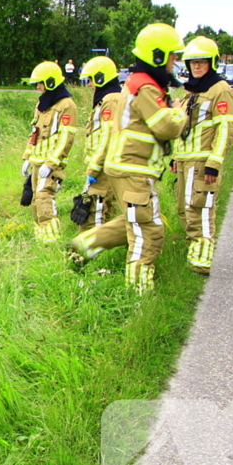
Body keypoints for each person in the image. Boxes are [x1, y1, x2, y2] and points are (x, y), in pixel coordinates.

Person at [70, 23, 186, 292]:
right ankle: (137, 293)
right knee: (149, 232)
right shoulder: (146, 88)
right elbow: (166, 127)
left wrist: (97, 166)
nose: (175, 62)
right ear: (157, 55)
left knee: (133, 222)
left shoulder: (132, 85)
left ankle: (82, 247)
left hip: (124, 168)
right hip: (135, 169)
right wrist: (179, 112)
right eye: (172, 55)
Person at [171, 36, 233, 275]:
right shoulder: (192, 91)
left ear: (212, 63)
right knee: (184, 210)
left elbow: (226, 129)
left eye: (202, 62)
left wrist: (214, 163)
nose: (197, 66)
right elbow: (187, 128)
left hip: (203, 163)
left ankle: (203, 261)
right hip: (185, 162)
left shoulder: (220, 89)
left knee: (201, 209)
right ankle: (194, 253)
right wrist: (176, 157)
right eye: (193, 62)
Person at [21, 61, 78, 243]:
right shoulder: (41, 104)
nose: (38, 87)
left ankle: (52, 241)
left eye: (41, 83)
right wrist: (27, 157)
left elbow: (66, 138)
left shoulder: (67, 105)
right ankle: (41, 238)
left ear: (51, 82)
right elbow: (35, 133)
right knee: (36, 201)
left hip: (50, 164)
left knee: (45, 198)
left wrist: (51, 162)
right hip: (37, 162)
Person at [75, 56, 122, 232]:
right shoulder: (106, 98)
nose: (89, 84)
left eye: (91, 79)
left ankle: (91, 252)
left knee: (96, 212)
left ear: (101, 78)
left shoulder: (111, 100)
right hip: (102, 165)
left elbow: (108, 137)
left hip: (104, 167)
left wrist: (94, 168)